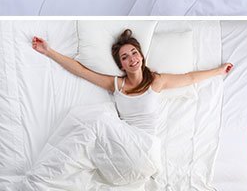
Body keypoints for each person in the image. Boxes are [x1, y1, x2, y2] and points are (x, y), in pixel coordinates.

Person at [27, 29, 232, 188]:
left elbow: (190, 78)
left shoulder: (156, 82)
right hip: (123, 156)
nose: (132, 58)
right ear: (121, 65)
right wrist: (48, 51)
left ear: (142, 57)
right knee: (89, 130)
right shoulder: (116, 85)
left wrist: (219, 71)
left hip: (145, 150)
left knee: (99, 116)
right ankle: (45, 178)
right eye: (125, 57)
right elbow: (80, 71)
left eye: (134, 53)